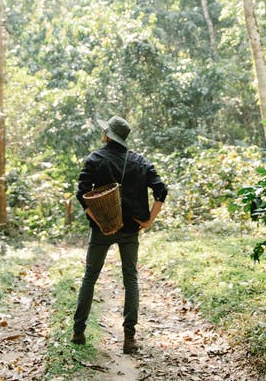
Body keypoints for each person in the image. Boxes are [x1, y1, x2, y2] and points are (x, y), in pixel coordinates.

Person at [72, 115, 168, 354]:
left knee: (90, 277)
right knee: (131, 279)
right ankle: (129, 338)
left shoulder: (95, 159)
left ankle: (78, 332)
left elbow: (82, 194)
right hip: (130, 230)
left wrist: (101, 222)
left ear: (107, 136)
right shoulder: (140, 161)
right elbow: (161, 190)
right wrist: (149, 220)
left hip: (101, 231)